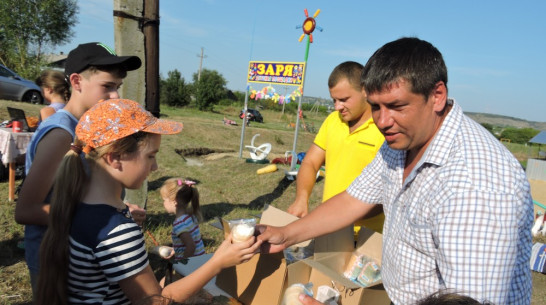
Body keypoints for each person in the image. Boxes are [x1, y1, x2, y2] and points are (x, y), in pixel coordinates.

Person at [257, 37, 533, 305]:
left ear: (437, 96)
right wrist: (288, 234)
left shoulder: (475, 184)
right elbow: (355, 198)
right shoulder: (402, 140)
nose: (382, 121)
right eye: (375, 106)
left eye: (396, 106)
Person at [36, 98, 261, 304]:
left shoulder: (77, 206)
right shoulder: (117, 231)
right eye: (150, 156)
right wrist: (217, 262)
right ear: (115, 157)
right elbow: (156, 301)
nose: (155, 167)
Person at [14, 42, 144, 301]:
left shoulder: (87, 127)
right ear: (76, 81)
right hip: (54, 261)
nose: (115, 97)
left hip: (79, 257)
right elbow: (25, 211)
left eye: (117, 88)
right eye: (107, 87)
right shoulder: (62, 134)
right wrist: (98, 218)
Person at [286, 61, 385, 235]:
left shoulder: (384, 128)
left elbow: (387, 193)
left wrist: (341, 216)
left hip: (368, 236)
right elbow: (310, 162)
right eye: (334, 100)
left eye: (344, 100)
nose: (337, 106)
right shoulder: (333, 120)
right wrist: (302, 199)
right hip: (330, 229)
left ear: (365, 90)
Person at [160, 178, 206, 260]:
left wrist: (182, 264)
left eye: (164, 200)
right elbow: (192, 240)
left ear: (174, 201)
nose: (163, 203)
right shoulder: (190, 216)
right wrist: (176, 251)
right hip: (200, 259)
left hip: (192, 265)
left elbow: (191, 246)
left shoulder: (180, 224)